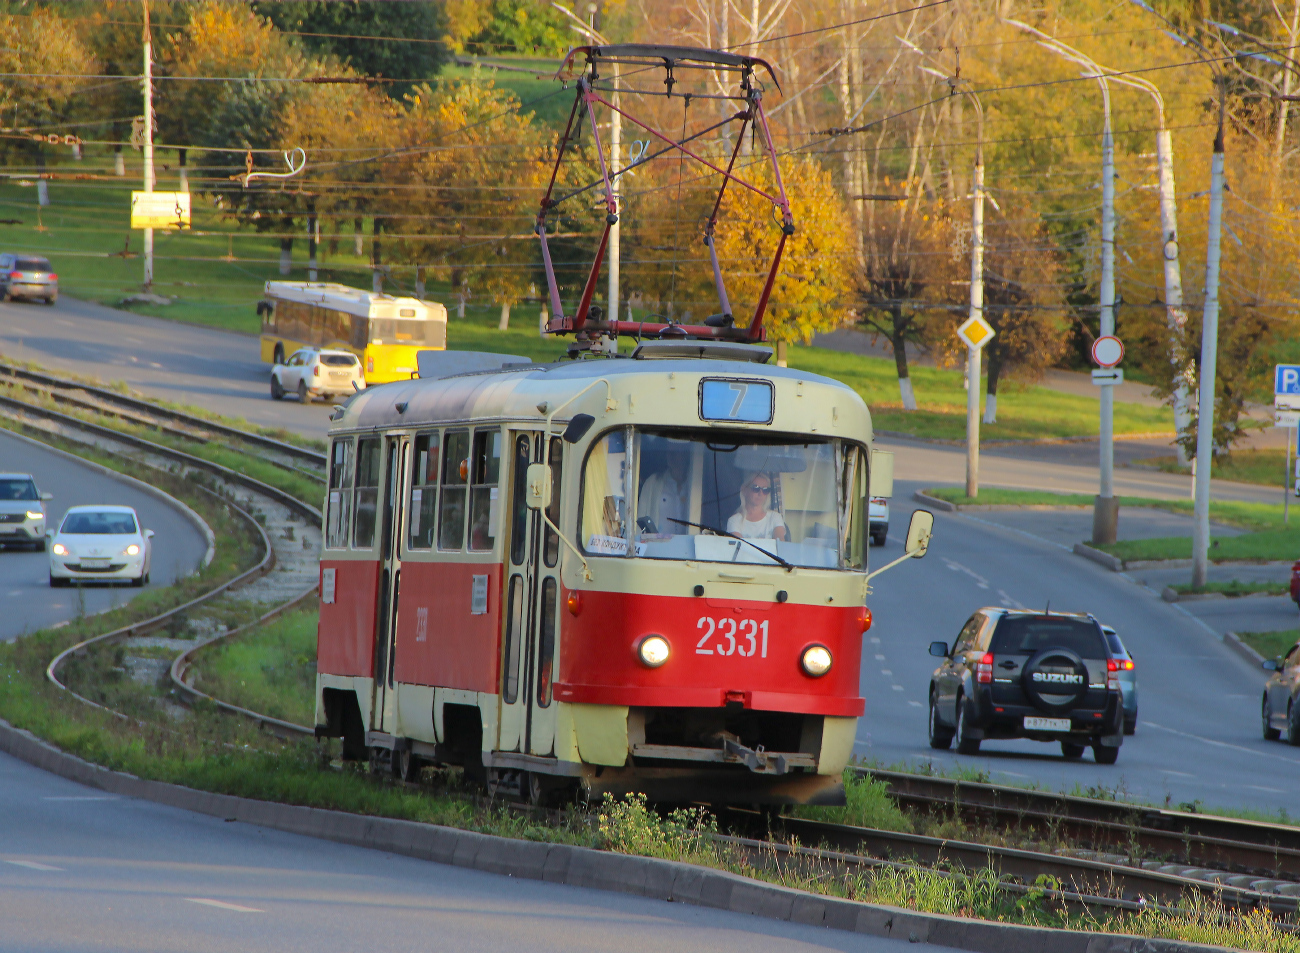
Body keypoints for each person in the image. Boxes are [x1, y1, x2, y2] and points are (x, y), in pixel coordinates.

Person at [637, 445, 691, 534]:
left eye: (677, 452)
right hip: (658, 547)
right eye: (670, 452)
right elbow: (641, 522)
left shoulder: (696, 486)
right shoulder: (652, 482)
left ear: (686, 455)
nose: (672, 456)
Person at [727, 471, 786, 540]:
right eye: (756, 488)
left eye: (765, 490)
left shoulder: (775, 517)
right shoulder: (734, 520)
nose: (760, 493)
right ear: (744, 490)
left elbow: (780, 545)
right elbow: (741, 547)